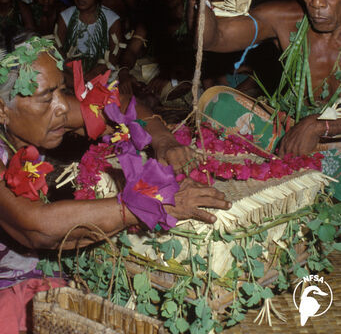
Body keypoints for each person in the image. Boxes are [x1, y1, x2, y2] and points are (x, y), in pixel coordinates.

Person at [0, 36, 230, 333]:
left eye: (61, 90)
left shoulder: (45, 113)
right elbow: (35, 226)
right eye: (46, 96)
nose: (61, 107)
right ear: (2, 110)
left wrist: (162, 140)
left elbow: (119, 106)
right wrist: (146, 204)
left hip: (43, 274)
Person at [178, 0, 341, 177]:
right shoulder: (283, 19)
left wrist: (321, 125)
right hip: (292, 130)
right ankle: (303, 164)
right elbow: (212, 39)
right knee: (218, 104)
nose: (316, 2)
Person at [56, 0, 122, 81]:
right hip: (71, 69)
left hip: (101, 70)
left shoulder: (112, 19)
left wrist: (96, 71)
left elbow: (115, 54)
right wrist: (70, 68)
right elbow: (58, 49)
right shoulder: (65, 16)